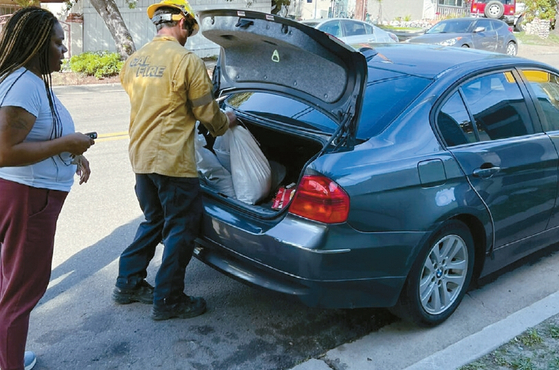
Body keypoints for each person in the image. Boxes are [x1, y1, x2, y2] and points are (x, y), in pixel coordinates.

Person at [113, 0, 236, 321]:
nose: (189, 36)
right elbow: (208, 114)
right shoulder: (187, 61)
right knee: (181, 226)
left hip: (140, 158)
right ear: (182, 23)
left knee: (154, 220)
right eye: (190, 29)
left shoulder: (135, 60)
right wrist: (228, 121)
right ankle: (169, 299)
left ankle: (128, 281)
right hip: (172, 162)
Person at [0, 7, 95, 370]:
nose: (64, 50)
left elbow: (40, 134)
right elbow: (5, 152)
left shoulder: (21, 78)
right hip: (28, 199)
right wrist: (65, 144)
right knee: (20, 294)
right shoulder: (24, 83)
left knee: (9, 285)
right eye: (58, 42)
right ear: (38, 44)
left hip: (23, 195)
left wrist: (73, 153)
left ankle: (6, 354)